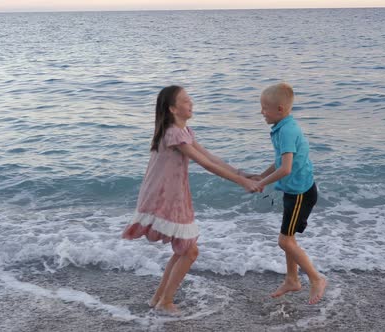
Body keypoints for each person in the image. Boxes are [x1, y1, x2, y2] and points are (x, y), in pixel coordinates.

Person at [122, 85, 260, 314]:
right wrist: (241, 182)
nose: (191, 104)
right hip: (164, 196)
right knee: (190, 251)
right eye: (186, 101)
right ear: (173, 108)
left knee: (184, 251)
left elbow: (210, 156)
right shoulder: (173, 133)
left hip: (174, 194)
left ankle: (158, 299)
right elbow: (205, 165)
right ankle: (165, 302)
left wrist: (241, 172)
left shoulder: (183, 131)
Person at [243, 82, 327, 305]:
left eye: (264, 108)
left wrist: (261, 185)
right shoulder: (283, 127)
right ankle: (292, 279)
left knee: (285, 241)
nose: (261, 112)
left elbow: (286, 169)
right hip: (294, 191)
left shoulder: (288, 130)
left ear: (280, 109)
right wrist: (261, 176)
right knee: (288, 238)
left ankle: (316, 278)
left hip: (301, 194)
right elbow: (280, 160)